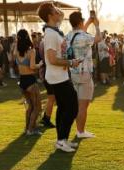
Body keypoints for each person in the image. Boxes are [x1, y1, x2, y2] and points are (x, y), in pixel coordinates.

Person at [40, 1, 83, 153]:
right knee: (72, 107)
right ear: (50, 15)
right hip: (57, 77)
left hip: (60, 75)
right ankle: (62, 139)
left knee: (64, 107)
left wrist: (54, 7)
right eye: (55, 10)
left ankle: (61, 140)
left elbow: (62, 14)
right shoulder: (51, 34)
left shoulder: (55, 30)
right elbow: (51, 59)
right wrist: (70, 62)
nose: (59, 12)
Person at [66, 10, 99, 139]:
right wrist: (96, 25)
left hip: (73, 72)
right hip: (84, 73)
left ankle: (79, 130)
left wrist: (88, 23)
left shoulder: (69, 35)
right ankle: (80, 131)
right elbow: (98, 38)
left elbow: (80, 34)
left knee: (77, 104)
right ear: (80, 22)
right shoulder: (84, 37)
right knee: (83, 105)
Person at [14, 29, 40, 134]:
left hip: (22, 81)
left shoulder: (16, 51)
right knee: (37, 107)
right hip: (30, 80)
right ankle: (31, 129)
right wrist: (41, 64)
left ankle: (27, 128)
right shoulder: (31, 51)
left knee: (30, 106)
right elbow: (33, 66)